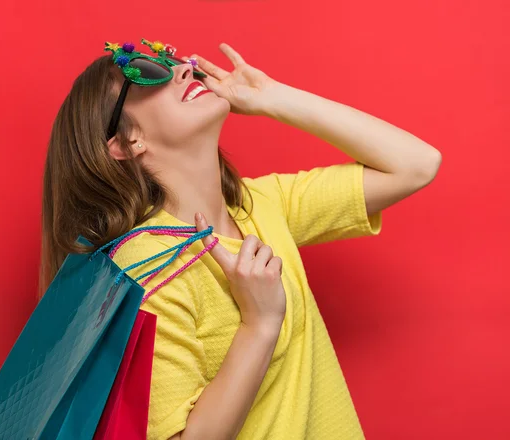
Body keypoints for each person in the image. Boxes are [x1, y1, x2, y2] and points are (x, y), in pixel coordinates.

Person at [38, 38, 441, 440]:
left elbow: (416, 165)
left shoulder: (262, 205)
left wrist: (272, 97)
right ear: (126, 143)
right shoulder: (144, 268)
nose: (183, 69)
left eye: (174, 61)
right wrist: (260, 324)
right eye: (149, 75)